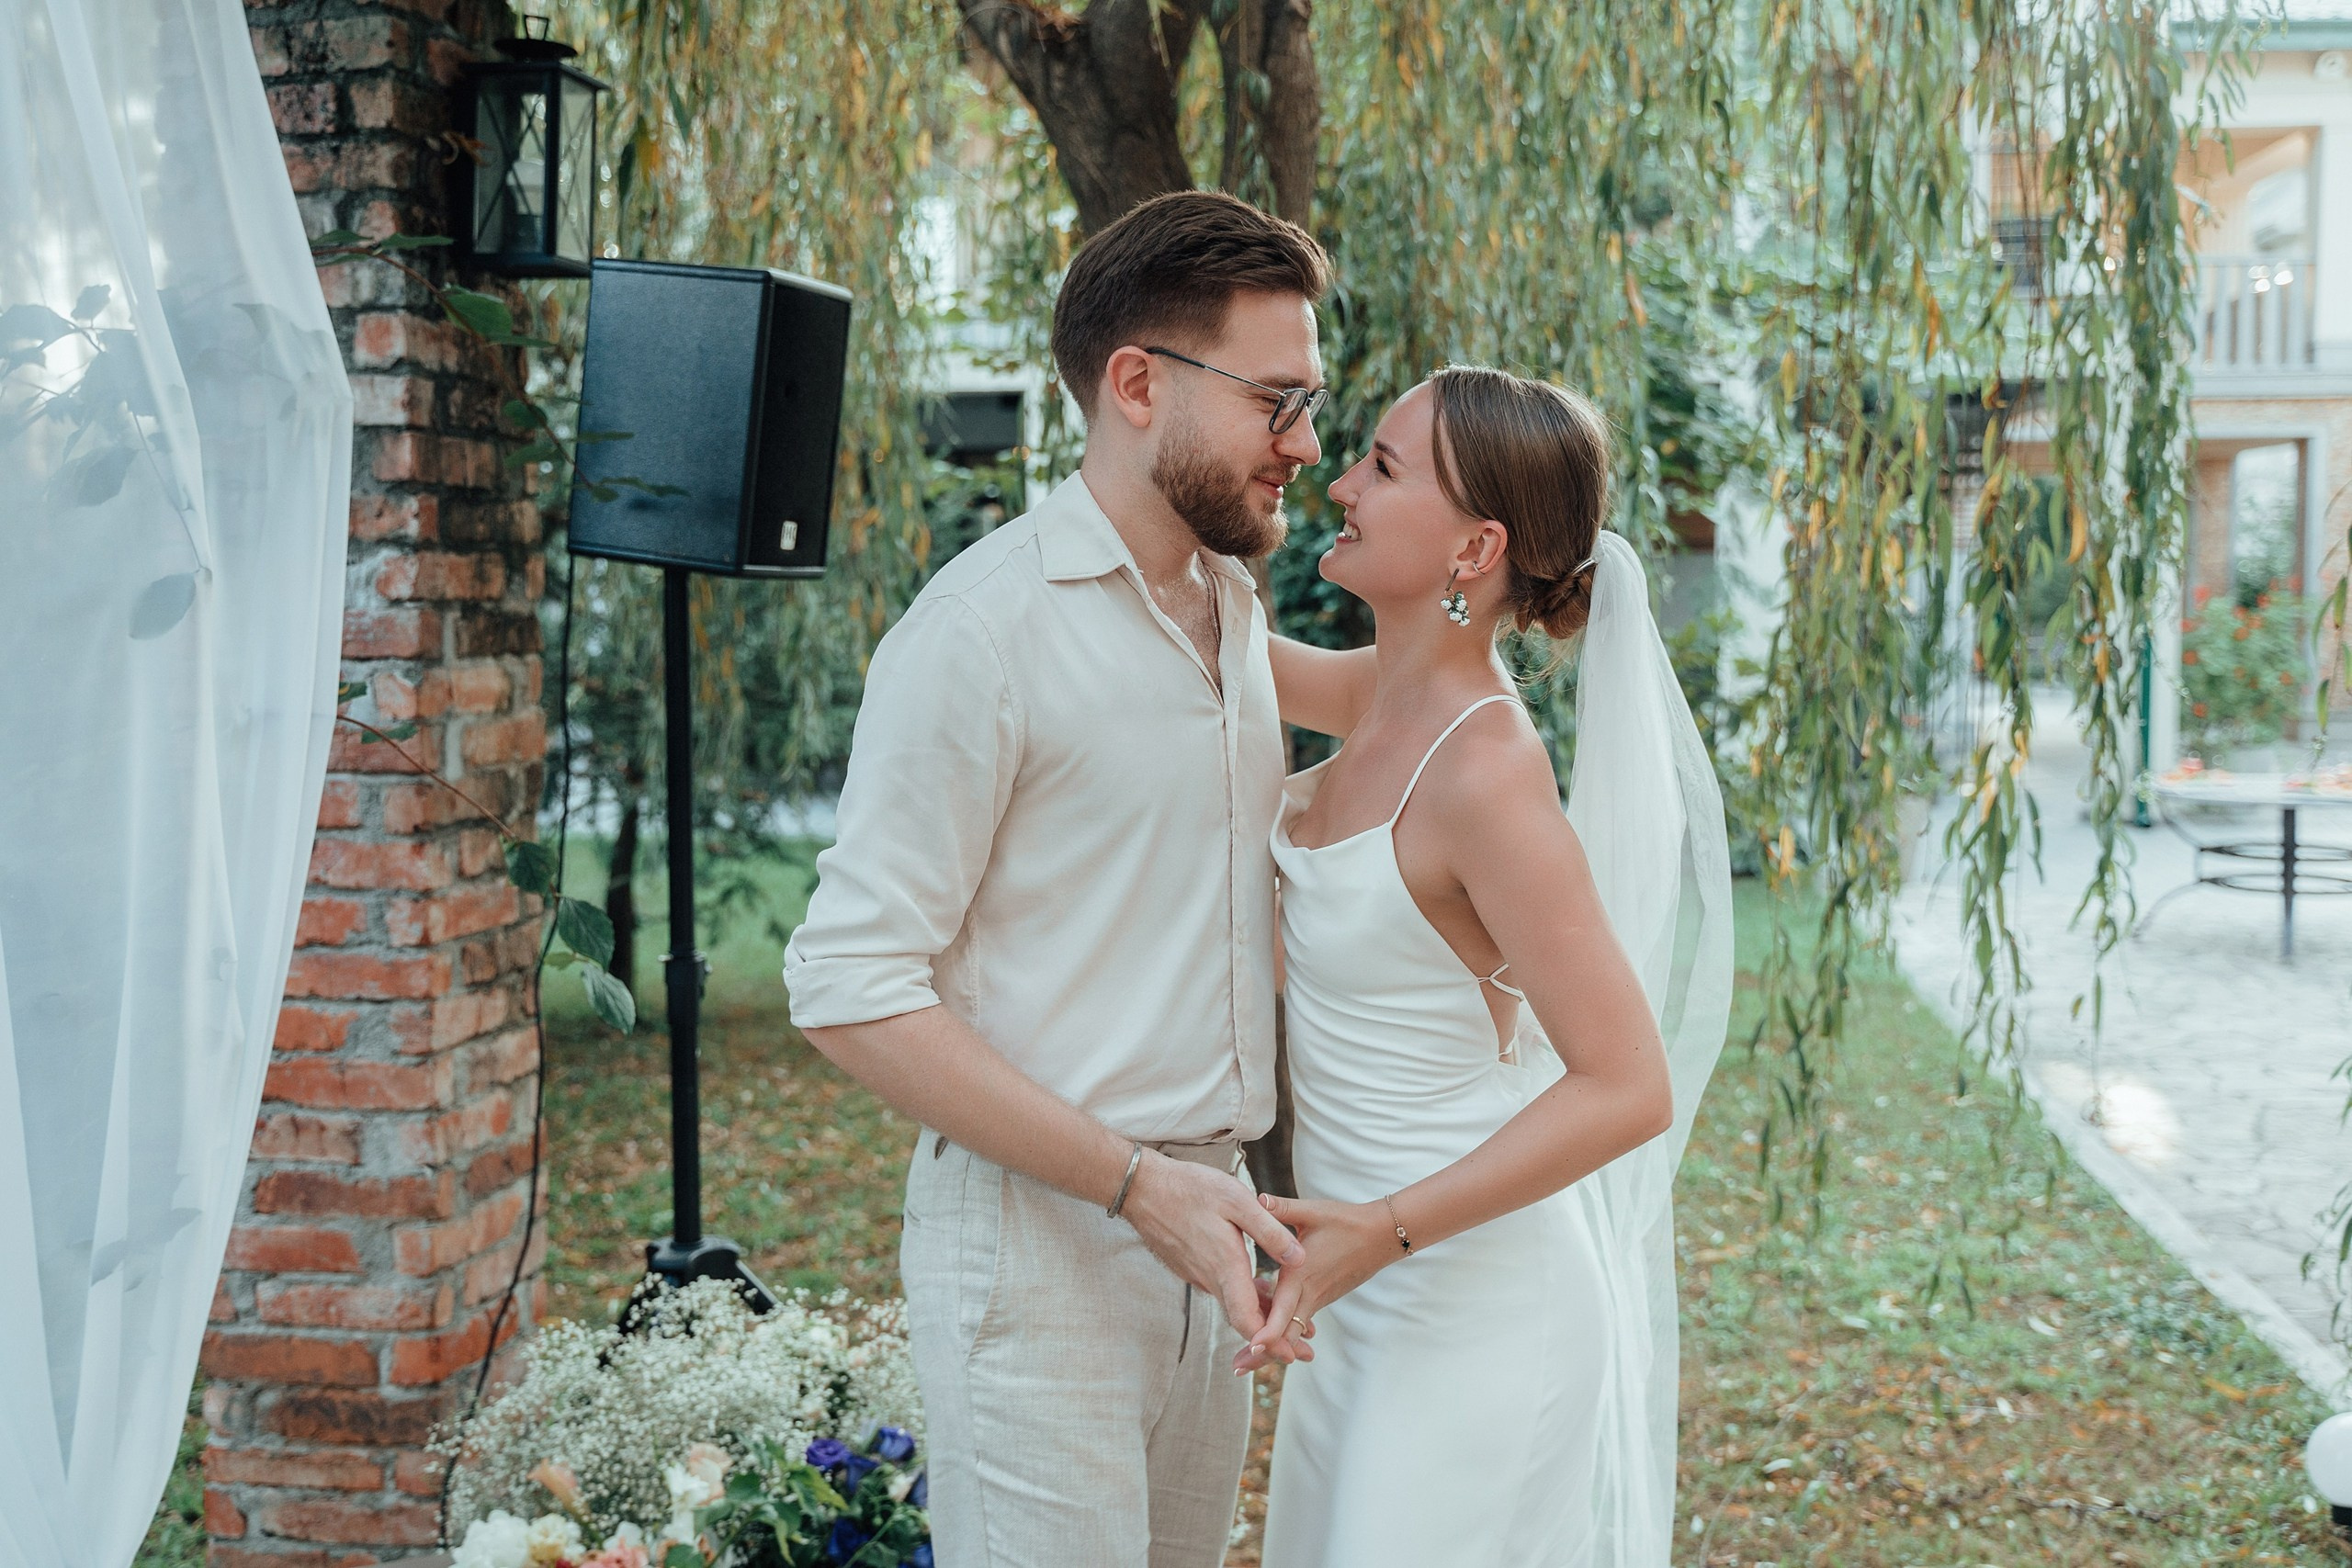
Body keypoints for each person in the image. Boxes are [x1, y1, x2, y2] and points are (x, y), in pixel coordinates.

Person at [782, 189, 1330, 1568]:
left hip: (1214, 1230)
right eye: (1276, 402)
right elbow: (846, 985)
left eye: (1311, 404)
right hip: (1042, 1248)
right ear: (1138, 385)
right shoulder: (980, 632)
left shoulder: (1232, 607)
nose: (1305, 444)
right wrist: (1139, 1185)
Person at [1242, 367, 1736, 1565]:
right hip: (1355, 1300)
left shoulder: (1485, 773)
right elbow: (1206, 647)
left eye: (1383, 468)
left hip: (1472, 1308)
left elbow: (1629, 1086)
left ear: (1476, 548)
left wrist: (1383, 1231)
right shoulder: (1380, 697)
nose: (1341, 486)